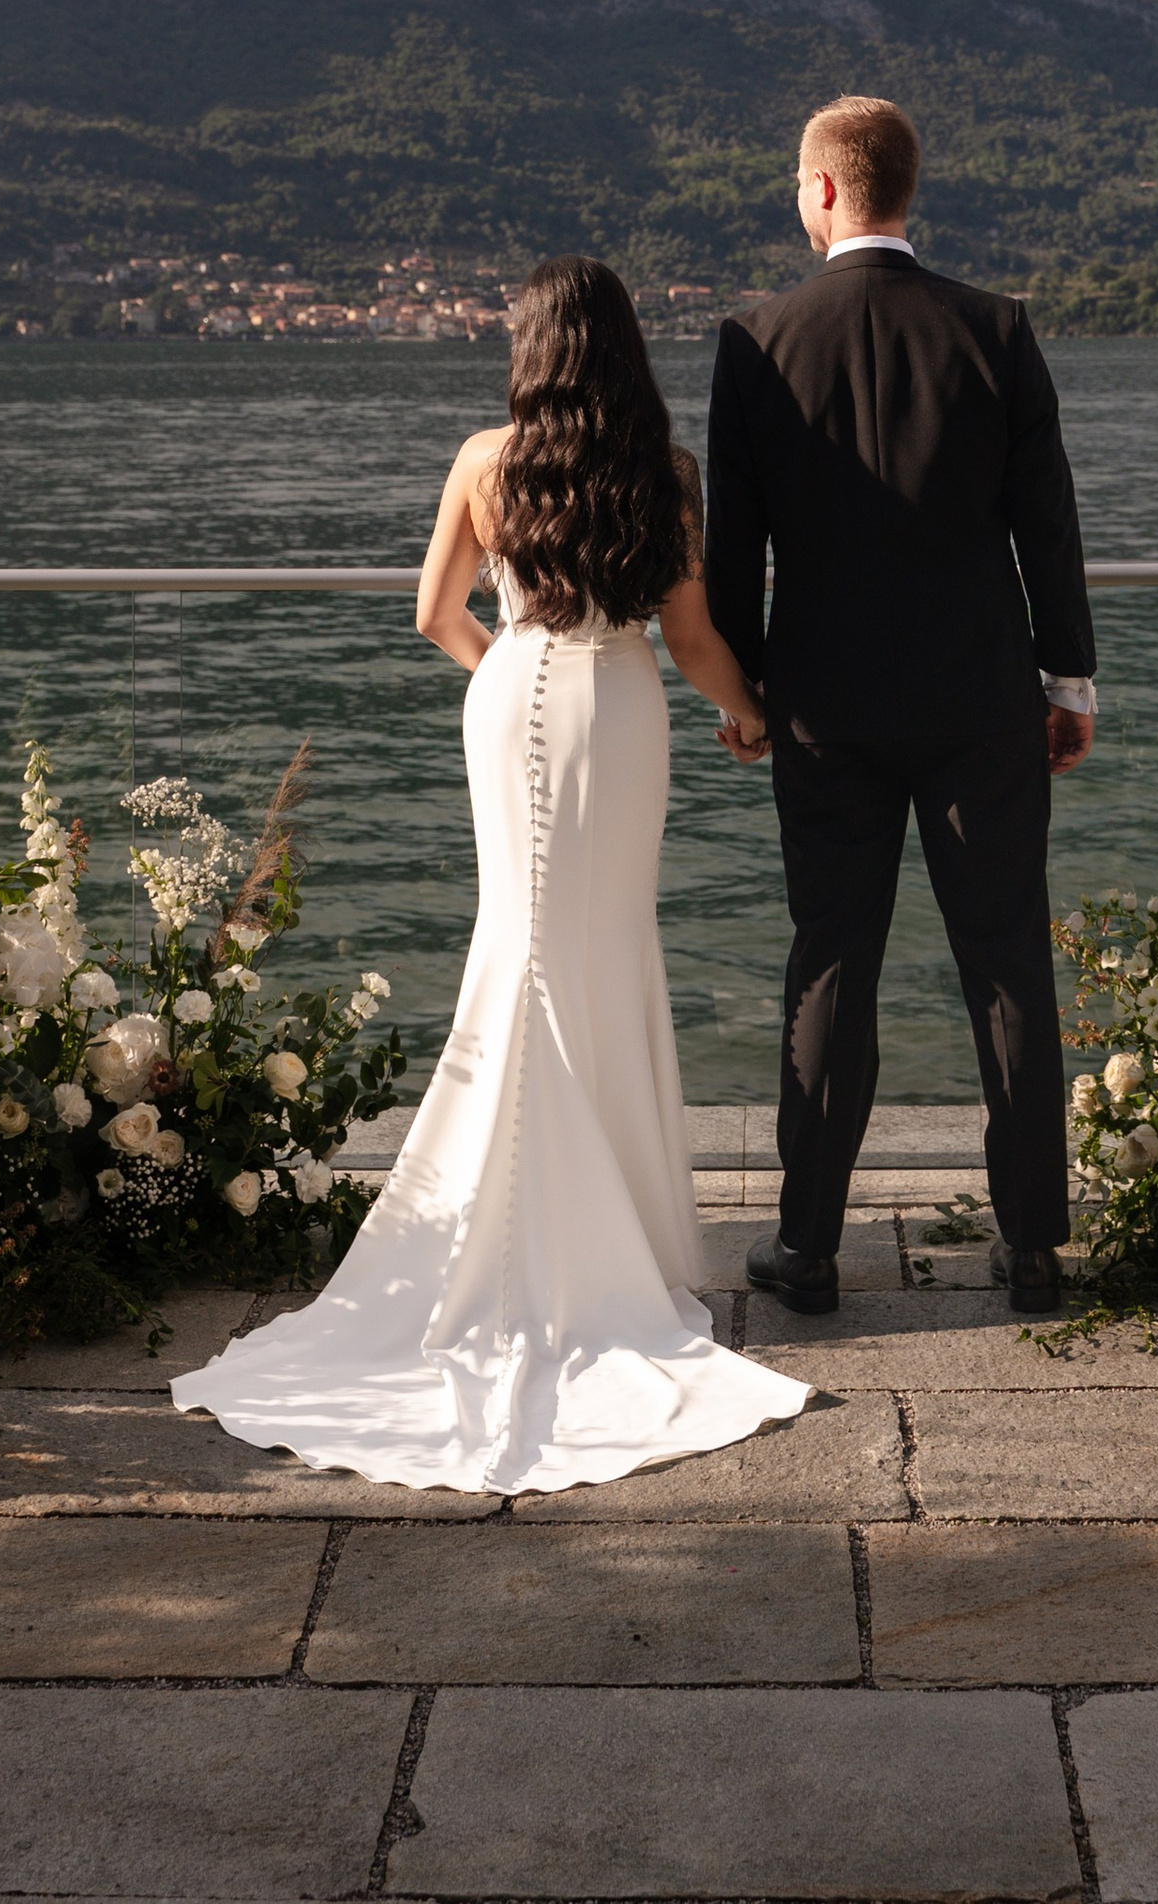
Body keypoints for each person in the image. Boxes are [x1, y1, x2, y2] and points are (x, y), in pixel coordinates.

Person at [178, 254, 809, 1492]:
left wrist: (510, 677)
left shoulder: (483, 459)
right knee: (606, 947)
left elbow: (434, 615)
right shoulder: (662, 474)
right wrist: (756, 717)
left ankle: (499, 1223)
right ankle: (605, 1230)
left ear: (530, 350)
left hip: (510, 689)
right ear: (623, 349)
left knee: (514, 947)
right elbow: (687, 638)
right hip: (619, 707)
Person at [704, 94, 1096, 1317]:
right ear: (903, 192)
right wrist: (1067, 679)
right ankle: (1033, 1248)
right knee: (1006, 967)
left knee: (830, 965)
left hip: (821, 712)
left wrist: (748, 689)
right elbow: (1048, 524)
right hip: (982, 704)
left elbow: (732, 553)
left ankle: (806, 1247)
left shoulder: (755, 339)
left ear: (823, 190)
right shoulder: (996, 328)